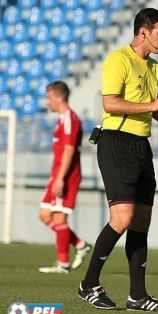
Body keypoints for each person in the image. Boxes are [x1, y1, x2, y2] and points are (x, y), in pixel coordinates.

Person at [78, 8, 158, 312]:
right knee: (122, 218)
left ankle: (138, 296)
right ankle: (88, 284)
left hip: (141, 146)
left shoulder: (156, 69)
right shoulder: (118, 59)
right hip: (116, 142)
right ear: (143, 32)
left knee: (141, 220)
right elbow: (110, 103)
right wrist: (151, 103)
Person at [38, 81, 92, 274]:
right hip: (57, 174)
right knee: (44, 214)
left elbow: (69, 150)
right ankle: (79, 244)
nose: (47, 102)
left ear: (59, 97)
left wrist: (60, 178)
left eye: (49, 97)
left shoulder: (70, 118)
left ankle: (63, 263)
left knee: (59, 218)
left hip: (67, 176)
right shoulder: (62, 119)